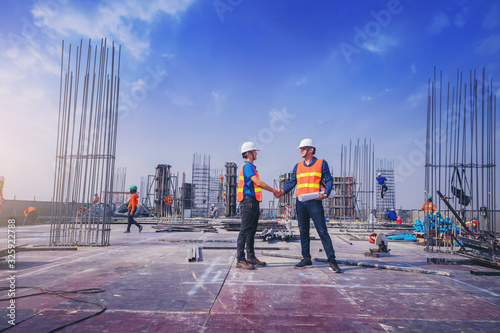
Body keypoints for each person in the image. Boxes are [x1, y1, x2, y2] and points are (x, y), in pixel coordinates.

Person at [279, 138, 342, 273]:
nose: (300, 151)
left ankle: (332, 261)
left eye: (303, 148)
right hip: (300, 202)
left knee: (322, 231)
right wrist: (282, 191)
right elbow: (292, 182)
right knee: (303, 231)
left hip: (314, 201)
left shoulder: (321, 163)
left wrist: (326, 192)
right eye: (300, 149)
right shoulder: (298, 166)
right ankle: (306, 259)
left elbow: (329, 179)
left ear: (311, 149)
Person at [236, 141, 281, 270]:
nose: (256, 154)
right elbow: (259, 183)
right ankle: (240, 259)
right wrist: (274, 191)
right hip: (248, 202)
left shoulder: (252, 167)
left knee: (251, 231)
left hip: (253, 202)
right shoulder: (247, 166)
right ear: (249, 153)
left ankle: (250, 257)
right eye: (255, 152)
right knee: (245, 230)